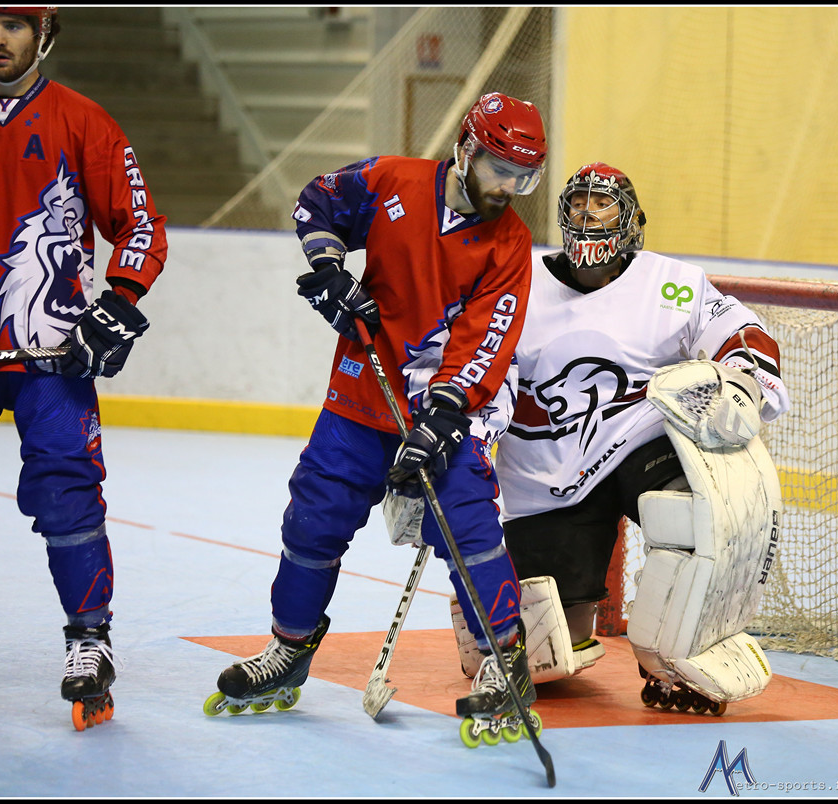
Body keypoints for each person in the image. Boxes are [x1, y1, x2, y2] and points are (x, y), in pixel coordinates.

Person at [208, 92, 547, 734]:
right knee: (313, 515)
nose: (509, 187)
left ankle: (505, 662)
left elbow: (487, 340)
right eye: (500, 168)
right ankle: (289, 647)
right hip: (363, 389)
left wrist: (441, 420)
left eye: (522, 177)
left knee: (466, 523)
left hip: (447, 404)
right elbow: (317, 201)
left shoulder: (509, 244)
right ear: (466, 149)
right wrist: (331, 268)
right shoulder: (393, 180)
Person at [478, 162, 790, 713]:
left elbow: (742, 332)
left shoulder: (671, 282)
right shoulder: (517, 281)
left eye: (602, 205)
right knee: (552, 651)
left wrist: (744, 382)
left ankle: (678, 653)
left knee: (698, 514)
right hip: (547, 470)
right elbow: (478, 363)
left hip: (642, 442)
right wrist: (466, 434)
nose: (588, 216)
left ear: (633, 221)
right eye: (579, 205)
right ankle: (552, 624)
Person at [0, 6, 168, 731]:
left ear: (44, 35)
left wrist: (118, 301)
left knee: (68, 493)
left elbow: (141, 224)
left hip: (51, 353)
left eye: (13, 23)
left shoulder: (83, 121)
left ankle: (89, 639)